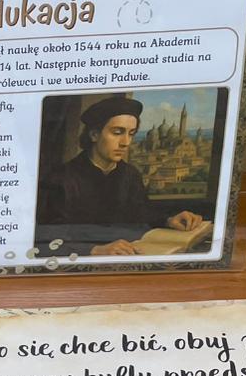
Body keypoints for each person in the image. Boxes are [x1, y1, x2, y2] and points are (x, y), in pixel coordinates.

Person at [52, 95, 202, 256]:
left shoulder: (130, 174)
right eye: (117, 132)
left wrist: (169, 220)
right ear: (94, 134)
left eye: (131, 134)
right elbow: (45, 237)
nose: (126, 142)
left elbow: (142, 212)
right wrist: (94, 250)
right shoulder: (62, 179)